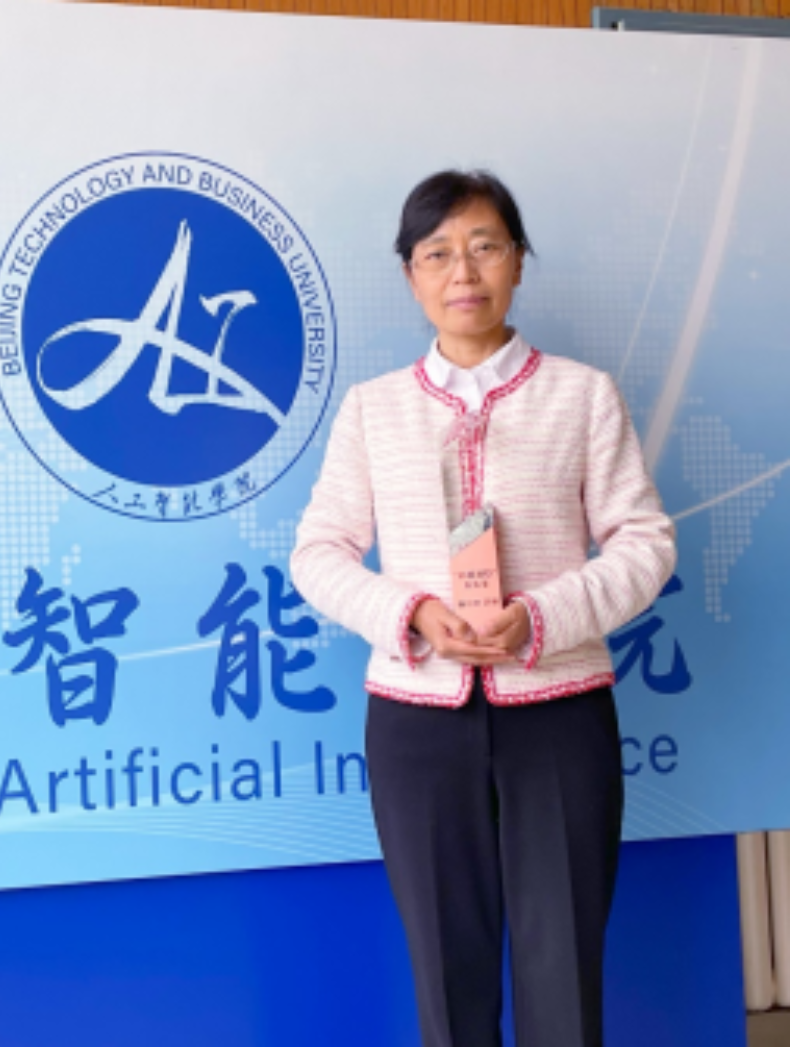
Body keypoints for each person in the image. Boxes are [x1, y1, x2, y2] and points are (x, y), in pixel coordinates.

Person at [289, 170, 676, 1047]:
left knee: (561, 961)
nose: (462, 271)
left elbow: (644, 542)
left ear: (517, 261)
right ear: (410, 276)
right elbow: (317, 553)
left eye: (484, 247)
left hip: (558, 710)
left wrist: (540, 617)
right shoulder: (372, 409)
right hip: (416, 719)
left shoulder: (582, 395)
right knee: (445, 969)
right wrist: (411, 612)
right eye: (436, 253)